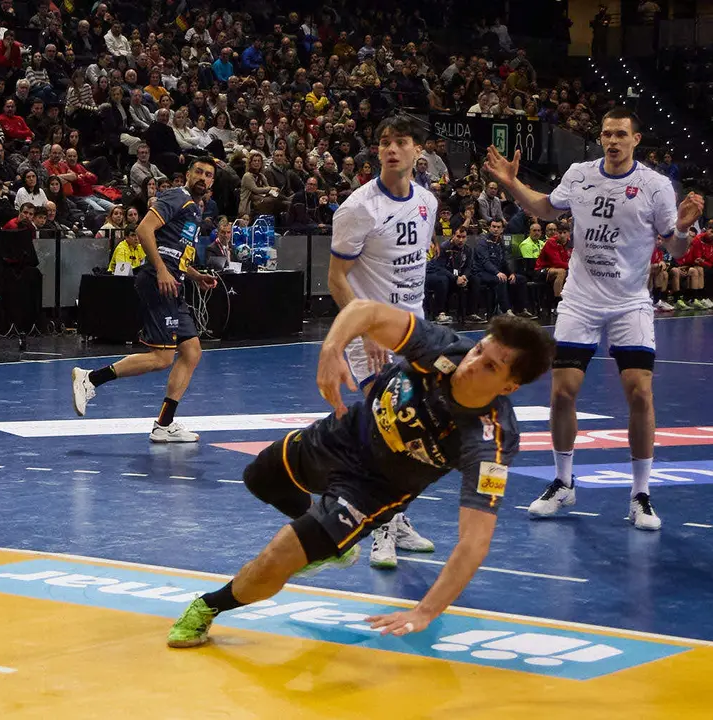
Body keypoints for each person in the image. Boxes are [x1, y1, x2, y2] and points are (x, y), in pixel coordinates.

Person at [165, 300, 555, 648]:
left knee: (275, 558)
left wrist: (425, 612)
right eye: (478, 349)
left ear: (509, 385)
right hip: (342, 434)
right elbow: (365, 311)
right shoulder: (442, 347)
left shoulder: (490, 440)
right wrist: (332, 348)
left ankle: (207, 607)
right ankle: (332, 540)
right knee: (258, 478)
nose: (471, 364)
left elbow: (474, 542)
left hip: (372, 490)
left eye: (489, 366)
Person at [486, 107, 705, 530]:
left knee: (640, 393)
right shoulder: (580, 174)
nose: (612, 141)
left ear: (636, 140)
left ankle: (640, 494)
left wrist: (680, 229)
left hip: (629, 303)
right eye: (606, 134)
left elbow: (675, 250)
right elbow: (546, 210)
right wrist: (512, 182)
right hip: (581, 300)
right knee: (563, 392)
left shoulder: (655, 186)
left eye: (621, 134)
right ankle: (563, 483)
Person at [326, 115, 439, 568]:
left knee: (418, 430)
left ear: (418, 152)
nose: (392, 149)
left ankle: (397, 517)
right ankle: (379, 529)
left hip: (414, 329)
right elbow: (336, 279)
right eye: (385, 142)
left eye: (401, 142)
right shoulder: (359, 208)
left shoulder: (427, 201)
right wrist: (367, 328)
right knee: (388, 427)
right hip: (368, 333)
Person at [71, 158, 219, 443]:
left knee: (191, 352)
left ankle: (164, 424)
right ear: (188, 175)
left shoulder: (195, 210)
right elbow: (143, 230)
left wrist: (196, 275)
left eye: (208, 174)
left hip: (173, 282)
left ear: (213, 182)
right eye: (198, 171)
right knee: (163, 357)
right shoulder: (178, 196)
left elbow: (175, 251)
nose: (203, 177)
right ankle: (89, 379)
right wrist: (162, 270)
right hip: (157, 280)